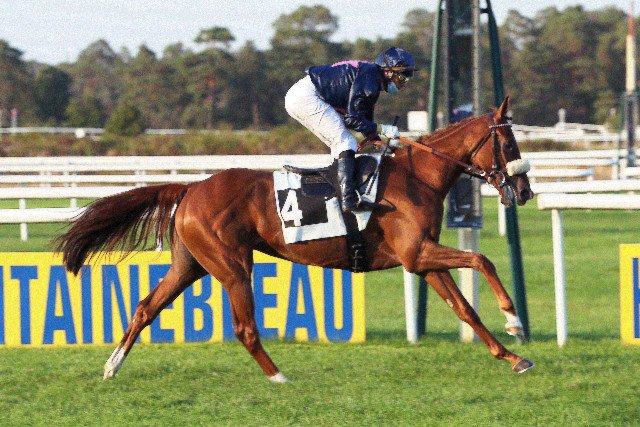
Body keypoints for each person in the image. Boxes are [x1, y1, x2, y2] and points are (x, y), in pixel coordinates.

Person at [285, 47, 417, 212]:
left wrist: (378, 140)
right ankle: (348, 199)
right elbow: (352, 120)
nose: (404, 82)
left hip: (303, 96)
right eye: (402, 76)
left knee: (340, 146)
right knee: (346, 142)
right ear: (388, 71)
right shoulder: (370, 82)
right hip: (306, 98)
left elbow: (363, 119)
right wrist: (382, 129)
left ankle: (337, 193)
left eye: (407, 77)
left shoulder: (372, 79)